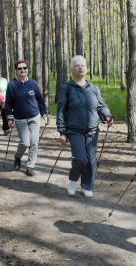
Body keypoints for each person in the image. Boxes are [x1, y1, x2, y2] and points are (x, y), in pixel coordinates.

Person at [57, 55, 113, 198]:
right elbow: (61, 111)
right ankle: (73, 181)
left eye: (83, 65)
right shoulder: (67, 88)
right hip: (74, 130)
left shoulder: (93, 88)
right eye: (77, 65)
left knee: (90, 159)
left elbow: (101, 106)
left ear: (86, 69)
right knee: (81, 159)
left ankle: (87, 186)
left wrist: (107, 116)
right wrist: (62, 132)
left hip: (92, 130)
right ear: (72, 69)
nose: (80, 67)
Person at [5, 59, 49, 177]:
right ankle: (18, 157)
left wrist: (44, 114)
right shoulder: (12, 85)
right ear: (16, 70)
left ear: (27, 69)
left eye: (25, 68)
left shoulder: (33, 83)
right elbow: (8, 103)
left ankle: (30, 166)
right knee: (25, 143)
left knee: (34, 143)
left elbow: (39, 100)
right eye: (20, 68)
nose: (22, 70)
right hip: (20, 119)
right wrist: (10, 118)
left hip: (34, 117)